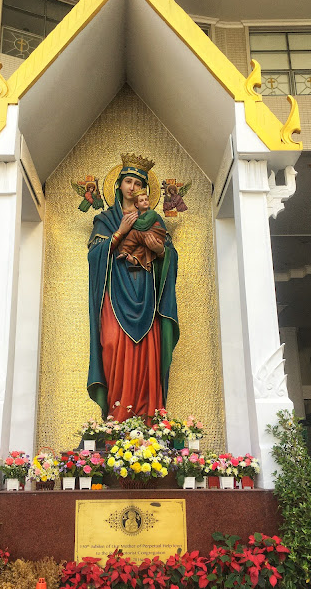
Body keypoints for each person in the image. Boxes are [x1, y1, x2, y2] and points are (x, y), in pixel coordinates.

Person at [87, 155, 179, 421]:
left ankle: (148, 416)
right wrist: (119, 232)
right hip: (114, 293)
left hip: (146, 293)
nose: (132, 187)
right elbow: (94, 256)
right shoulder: (105, 219)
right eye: (128, 181)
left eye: (138, 183)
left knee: (149, 351)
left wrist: (159, 249)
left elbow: (168, 253)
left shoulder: (153, 219)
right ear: (118, 185)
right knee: (113, 343)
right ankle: (116, 416)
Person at [116, 189, 167, 271]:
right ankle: (135, 260)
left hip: (156, 234)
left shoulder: (152, 213)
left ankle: (125, 251)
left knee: (133, 234)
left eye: (146, 199)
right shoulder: (140, 216)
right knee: (141, 246)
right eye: (141, 201)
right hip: (148, 236)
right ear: (136, 204)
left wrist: (131, 220)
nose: (145, 202)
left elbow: (144, 225)